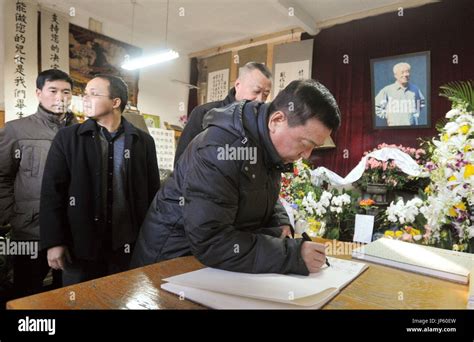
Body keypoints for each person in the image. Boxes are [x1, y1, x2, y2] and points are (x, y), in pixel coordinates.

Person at [131, 79, 341, 275]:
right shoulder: (221, 149)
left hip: (209, 263)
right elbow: (211, 240)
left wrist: (280, 220)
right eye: (306, 144)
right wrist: (292, 255)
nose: (306, 155)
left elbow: (259, 189)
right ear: (277, 120)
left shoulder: (265, 143)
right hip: (170, 262)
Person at [40, 74, 160, 286]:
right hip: (81, 245)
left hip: (126, 246)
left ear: (115, 102)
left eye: (94, 94)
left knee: (121, 299)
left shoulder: (143, 142)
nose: (85, 99)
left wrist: (151, 240)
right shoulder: (69, 138)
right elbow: (52, 193)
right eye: (84, 94)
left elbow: (153, 193)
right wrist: (54, 241)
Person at [0, 69, 76, 298]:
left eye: (66, 92)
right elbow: (2, 176)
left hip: (71, 229)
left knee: (68, 291)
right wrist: (11, 215)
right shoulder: (16, 130)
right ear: (38, 93)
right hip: (30, 229)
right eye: (52, 90)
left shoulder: (79, 132)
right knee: (26, 292)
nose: (59, 97)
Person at [174, 61, 272, 163]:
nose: (260, 100)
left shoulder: (262, 124)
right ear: (238, 85)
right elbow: (181, 159)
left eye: (265, 94)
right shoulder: (204, 113)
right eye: (256, 91)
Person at [375, 62, 425, 126]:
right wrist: (388, 115)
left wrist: (415, 114)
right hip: (394, 130)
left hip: (412, 128)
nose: (406, 74)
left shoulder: (415, 89)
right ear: (395, 75)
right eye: (402, 72)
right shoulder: (387, 90)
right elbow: (376, 106)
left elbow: (421, 102)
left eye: (407, 72)